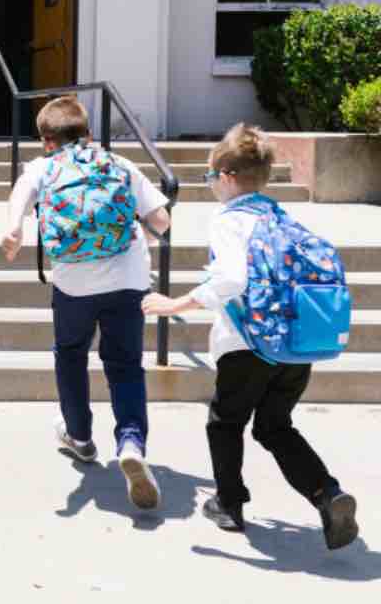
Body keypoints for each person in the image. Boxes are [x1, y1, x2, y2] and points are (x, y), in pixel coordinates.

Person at [143, 124, 359, 548]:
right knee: (275, 426)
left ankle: (228, 503)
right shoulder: (279, 217)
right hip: (294, 346)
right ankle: (327, 494)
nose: (210, 187)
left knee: (225, 422)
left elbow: (230, 279)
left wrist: (175, 305)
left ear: (225, 177)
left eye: (209, 178)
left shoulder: (229, 219)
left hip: (246, 345)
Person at [2, 96, 171, 511]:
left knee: (71, 355)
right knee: (125, 364)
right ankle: (131, 442)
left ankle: (79, 437)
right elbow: (162, 221)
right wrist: (135, 244)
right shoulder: (118, 164)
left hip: (73, 284)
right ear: (89, 134)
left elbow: (19, 200)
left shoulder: (43, 167)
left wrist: (13, 232)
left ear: (46, 141)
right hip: (129, 279)